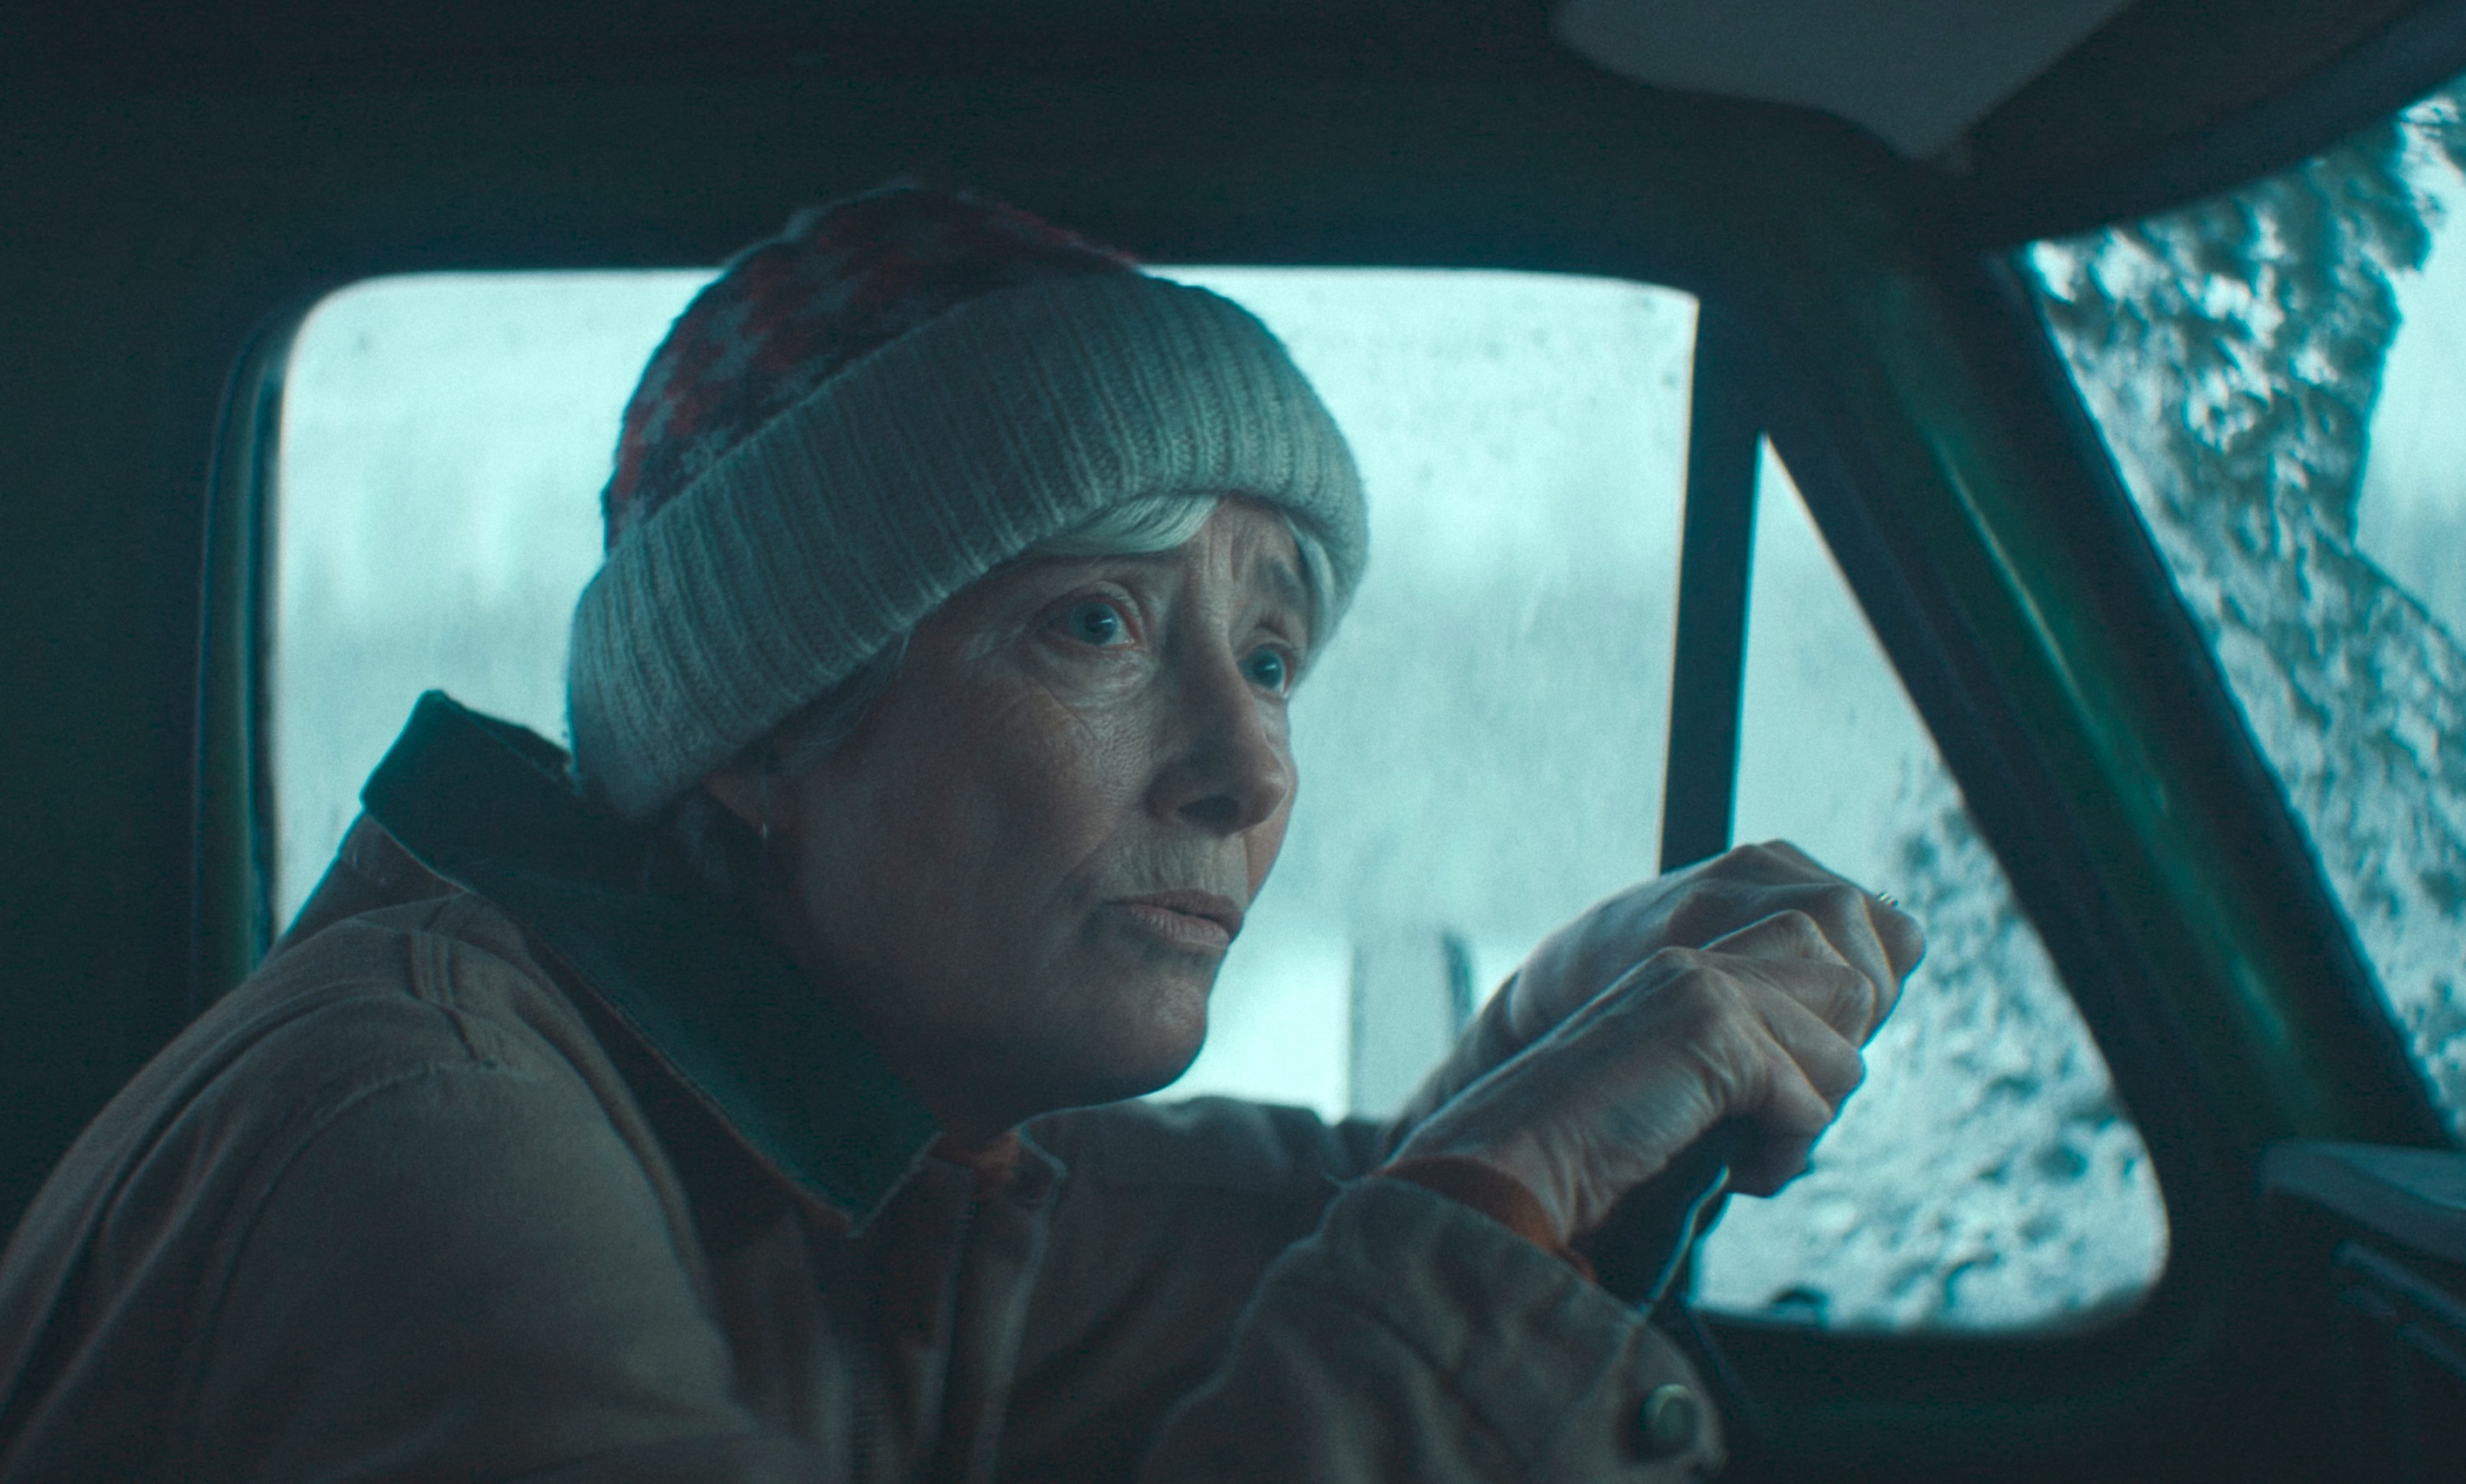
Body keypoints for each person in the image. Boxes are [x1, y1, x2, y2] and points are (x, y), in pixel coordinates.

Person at [0, 186, 1921, 1482]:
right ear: (762, 729)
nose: (1248, 770)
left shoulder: (865, 1156)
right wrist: (1505, 1180)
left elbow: (1346, 1233)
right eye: (1094, 626)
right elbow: (1422, 1269)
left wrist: (1544, 1057)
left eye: (1269, 658)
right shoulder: (413, 1129)